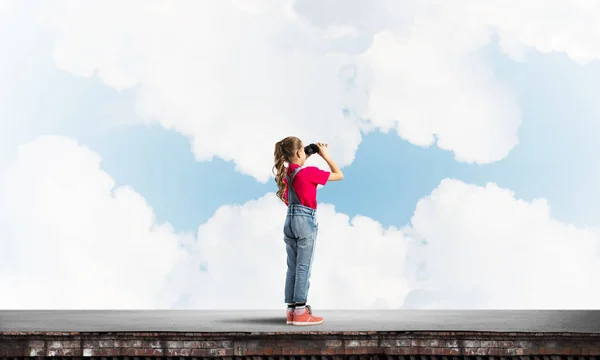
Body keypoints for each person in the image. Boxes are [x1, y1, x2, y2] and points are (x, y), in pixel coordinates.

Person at [272, 136, 344, 326]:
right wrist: (325, 155)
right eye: (303, 150)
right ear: (297, 153)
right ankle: (301, 312)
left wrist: (304, 155)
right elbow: (339, 174)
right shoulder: (309, 173)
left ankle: (291, 311)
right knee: (304, 267)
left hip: (289, 220)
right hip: (305, 221)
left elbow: (293, 186)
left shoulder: (287, 174)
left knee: (293, 267)